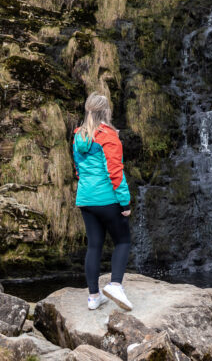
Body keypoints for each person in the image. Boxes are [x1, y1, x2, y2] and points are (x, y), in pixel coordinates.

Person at [73, 93, 132, 311]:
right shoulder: (108, 136)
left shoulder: (78, 136)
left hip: (86, 199)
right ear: (106, 111)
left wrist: (89, 190)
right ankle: (115, 284)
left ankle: (93, 297)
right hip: (107, 198)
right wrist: (124, 203)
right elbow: (116, 172)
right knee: (123, 241)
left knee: (94, 245)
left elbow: (78, 170)